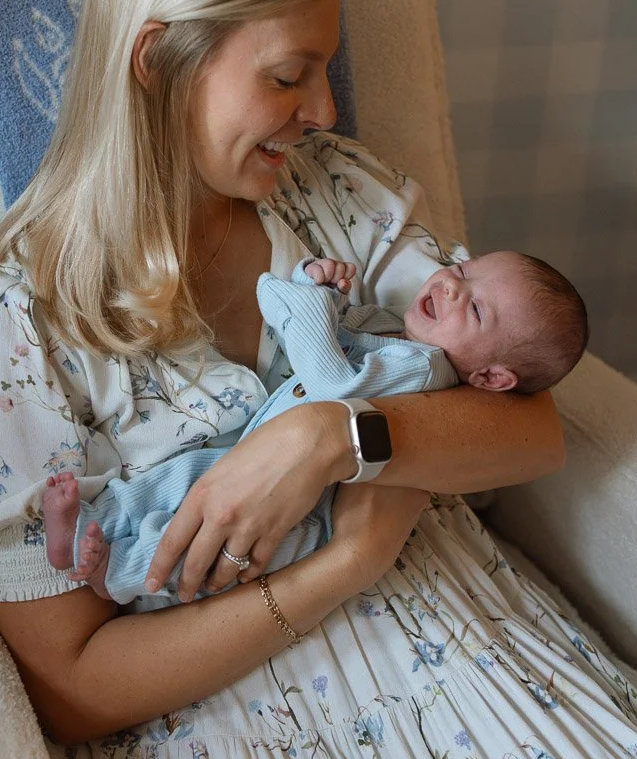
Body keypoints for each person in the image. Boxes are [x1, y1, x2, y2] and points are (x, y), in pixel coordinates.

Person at [0, 0, 637, 759]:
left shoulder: (334, 195)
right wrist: (346, 561)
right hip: (238, 723)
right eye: (288, 75)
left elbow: (528, 427)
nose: (326, 111)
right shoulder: (17, 325)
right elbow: (72, 687)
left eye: (324, 70)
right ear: (157, 61)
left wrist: (329, 440)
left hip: (477, 648)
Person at [43, 250, 588, 607]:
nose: (450, 287)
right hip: (256, 453)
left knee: (200, 536)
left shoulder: (425, 368)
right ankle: (94, 523)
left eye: (476, 310)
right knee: (179, 481)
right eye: (462, 271)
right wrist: (325, 291)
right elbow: (344, 333)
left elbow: (334, 386)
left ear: (492, 377)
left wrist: (300, 302)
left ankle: (117, 573)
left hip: (304, 511)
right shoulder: (402, 334)